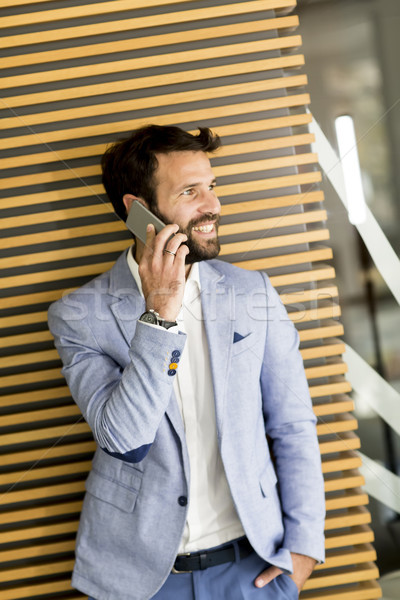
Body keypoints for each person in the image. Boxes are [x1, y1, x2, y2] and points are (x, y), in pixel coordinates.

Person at [48, 125, 325, 600]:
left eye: (212, 187)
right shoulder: (78, 316)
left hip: (253, 567)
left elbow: (293, 424)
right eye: (190, 192)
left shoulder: (251, 293)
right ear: (139, 211)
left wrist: (303, 549)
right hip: (142, 580)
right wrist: (159, 314)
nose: (212, 205)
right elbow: (125, 440)